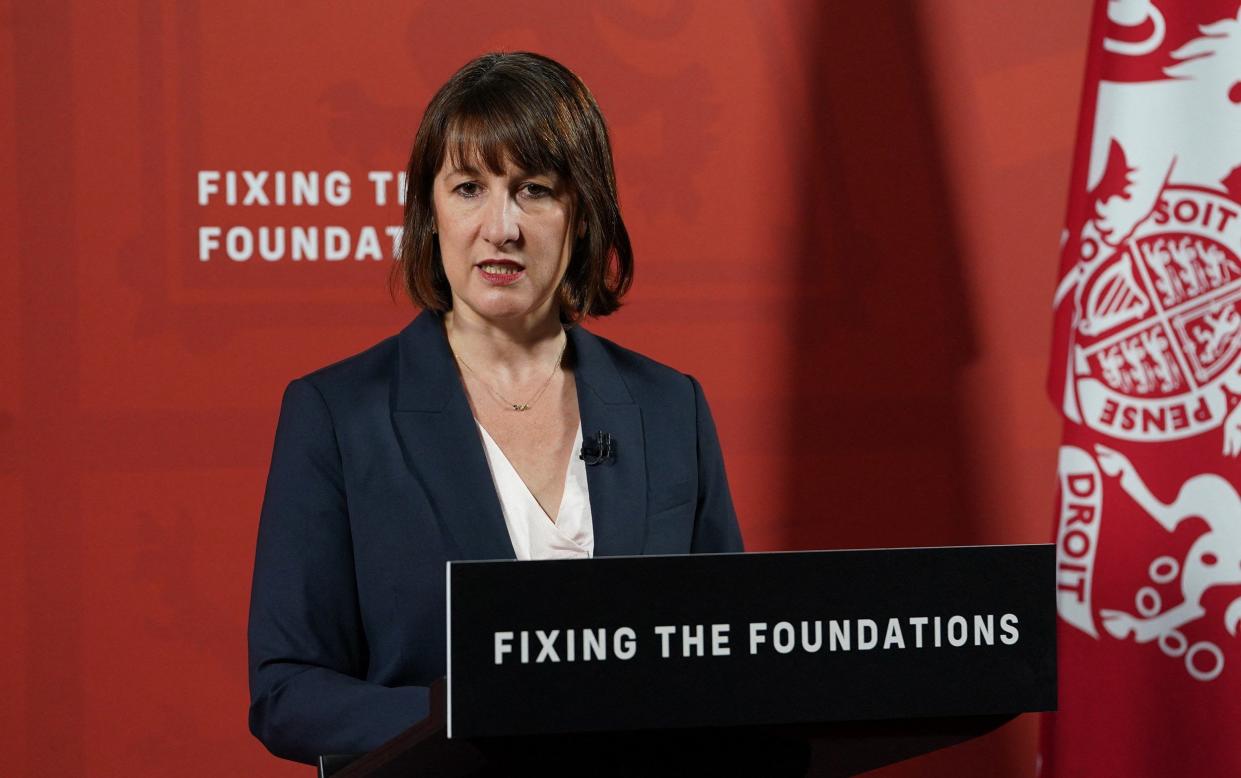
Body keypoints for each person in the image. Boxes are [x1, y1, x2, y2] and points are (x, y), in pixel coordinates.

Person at [247, 51, 743, 765]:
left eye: (534, 190)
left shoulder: (670, 408)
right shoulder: (338, 414)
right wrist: (482, 719)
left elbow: (726, 660)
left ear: (583, 213)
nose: (500, 227)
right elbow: (288, 690)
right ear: (430, 209)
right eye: (469, 187)